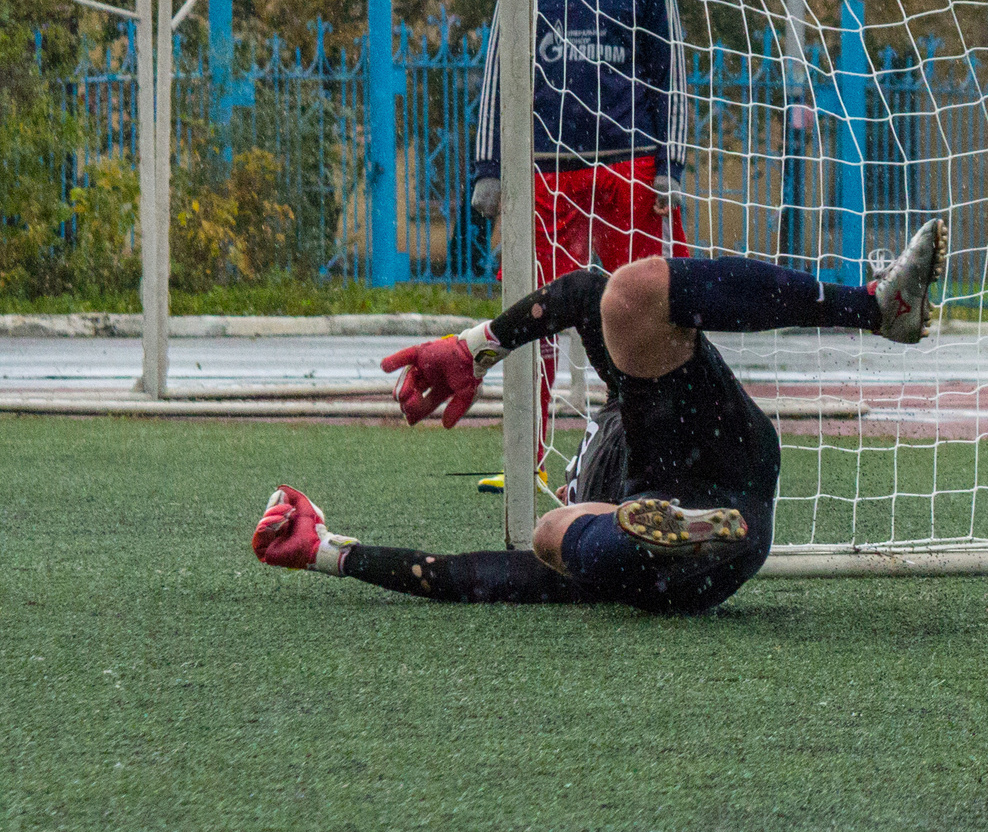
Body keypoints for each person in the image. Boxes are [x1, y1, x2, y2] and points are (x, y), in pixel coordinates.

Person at [251, 219, 943, 613]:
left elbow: (582, 291)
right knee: (550, 534)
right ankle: (663, 533)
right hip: (666, 539)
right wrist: (328, 552)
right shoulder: (579, 524)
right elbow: (465, 575)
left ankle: (877, 307)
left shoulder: (625, 412)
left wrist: (471, 350)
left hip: (698, 473)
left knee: (626, 296)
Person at [470, 0, 691, 494]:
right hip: (548, 169)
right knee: (532, 311)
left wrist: (670, 167)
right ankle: (527, 453)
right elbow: (498, 75)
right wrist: (490, 169)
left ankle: (650, 450)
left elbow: (671, 76)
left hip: (631, 171)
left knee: (650, 314)